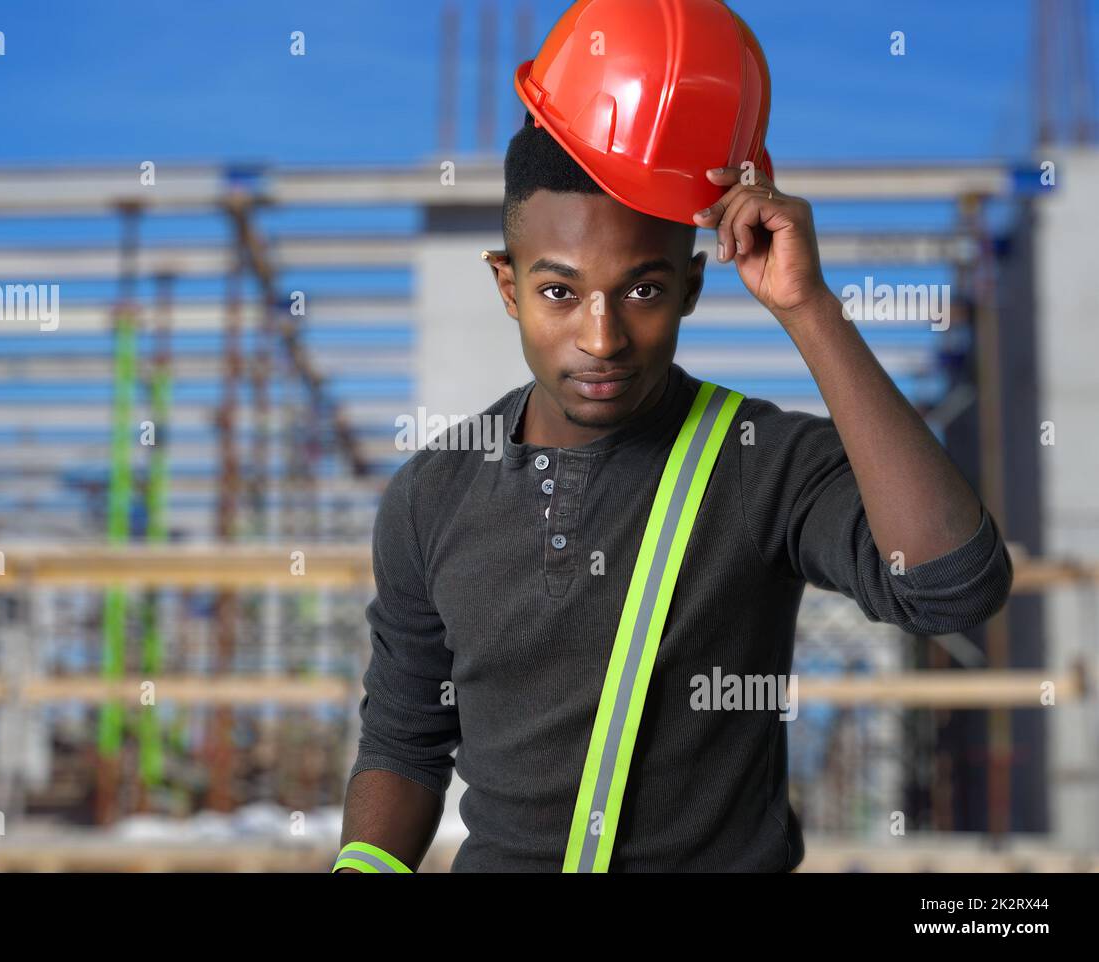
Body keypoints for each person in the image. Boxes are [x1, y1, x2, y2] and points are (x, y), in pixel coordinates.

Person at [333, 112, 1013, 872]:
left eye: (643, 290)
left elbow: (951, 587)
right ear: (508, 285)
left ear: (690, 286)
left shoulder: (764, 461)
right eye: (560, 291)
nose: (601, 337)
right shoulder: (432, 495)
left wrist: (808, 308)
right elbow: (404, 737)